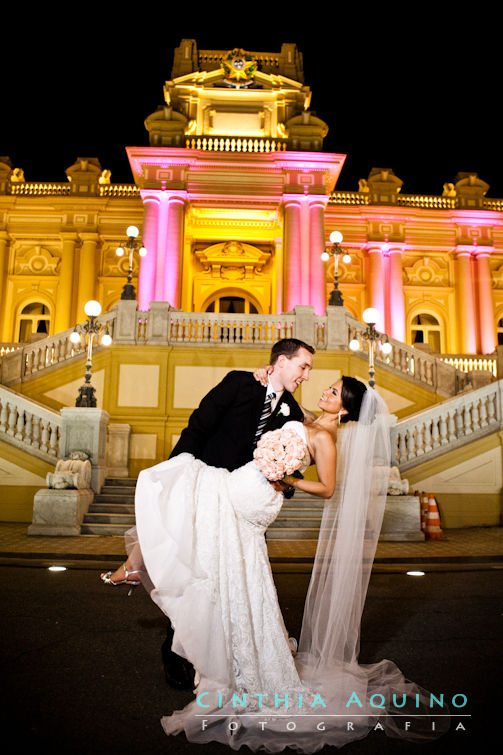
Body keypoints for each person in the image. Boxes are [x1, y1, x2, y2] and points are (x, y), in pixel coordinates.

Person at [102, 375, 449, 752]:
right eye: (329, 386)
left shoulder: (326, 440)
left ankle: (140, 569)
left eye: (334, 392)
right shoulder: (307, 417)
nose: (324, 391)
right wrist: (264, 379)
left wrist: (290, 478)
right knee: (203, 534)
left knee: (185, 489)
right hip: (245, 483)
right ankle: (152, 578)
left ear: (345, 409)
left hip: (254, 496)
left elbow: (328, 488)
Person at [102, 338, 315, 688]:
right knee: (195, 574)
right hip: (204, 490)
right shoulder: (238, 382)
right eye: (303, 366)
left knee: (231, 584)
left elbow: (288, 459)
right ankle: (176, 655)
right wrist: (177, 475)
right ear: (280, 361)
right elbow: (199, 425)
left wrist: (285, 484)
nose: (306, 375)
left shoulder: (290, 409)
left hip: (241, 506)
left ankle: (223, 657)